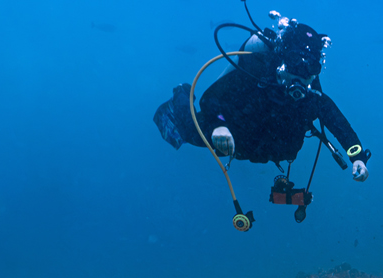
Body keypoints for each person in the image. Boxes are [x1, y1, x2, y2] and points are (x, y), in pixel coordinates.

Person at [153, 14, 370, 182]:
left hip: (261, 148)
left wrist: (357, 157)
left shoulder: (312, 97)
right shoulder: (256, 70)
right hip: (230, 137)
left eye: (311, 68)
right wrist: (219, 125)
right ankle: (182, 93)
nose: (301, 75)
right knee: (186, 130)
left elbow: (337, 122)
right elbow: (211, 97)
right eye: (295, 63)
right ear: (284, 59)